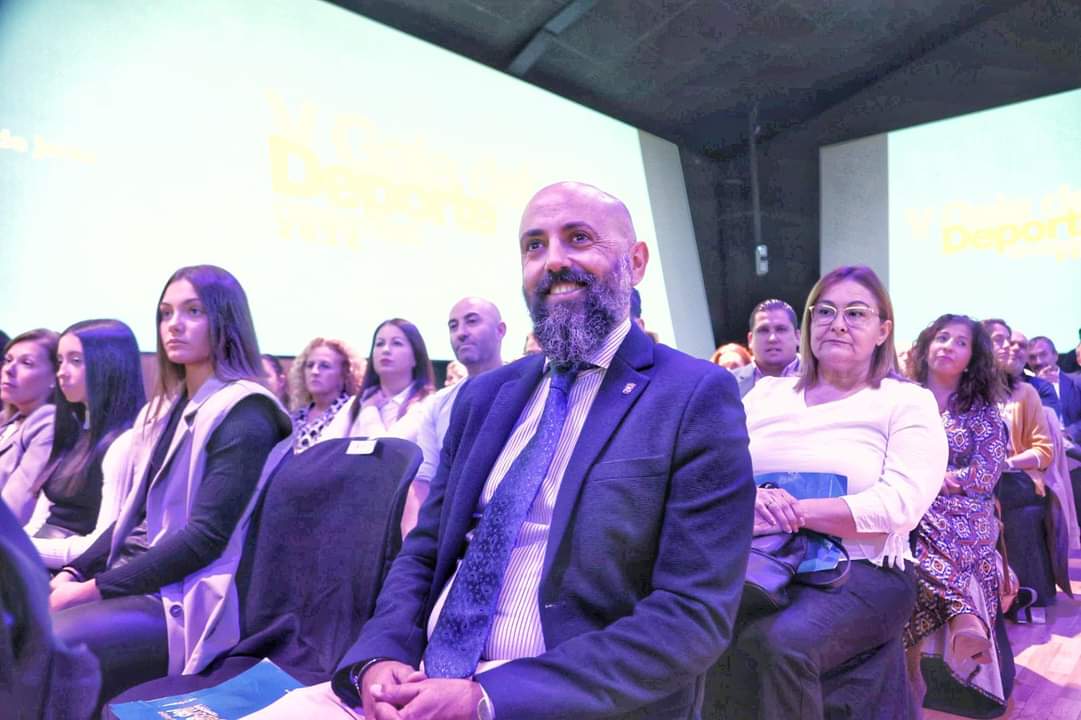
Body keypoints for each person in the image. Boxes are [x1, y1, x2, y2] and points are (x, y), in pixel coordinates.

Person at [245, 181, 755, 720]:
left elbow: (691, 615)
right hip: (415, 685)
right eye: (534, 246)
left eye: (578, 238)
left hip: (555, 697)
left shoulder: (692, 395)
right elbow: (424, 552)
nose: (553, 261)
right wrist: (380, 656)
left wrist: (490, 699)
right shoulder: (484, 397)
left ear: (636, 261)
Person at [48, 265, 292, 704]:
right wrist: (74, 570)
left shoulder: (246, 410)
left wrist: (85, 592)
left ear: (225, 321)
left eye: (193, 311)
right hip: (137, 580)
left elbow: (203, 540)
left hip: (186, 598)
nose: (174, 325)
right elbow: (131, 518)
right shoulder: (172, 407)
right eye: (165, 313)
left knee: (49, 643)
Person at [716, 265, 948, 719]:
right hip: (758, 558)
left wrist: (793, 511)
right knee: (691, 627)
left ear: (883, 330)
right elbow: (718, 472)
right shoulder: (765, 397)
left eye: (856, 313)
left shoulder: (906, 401)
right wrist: (750, 497)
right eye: (824, 311)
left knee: (784, 644)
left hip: (862, 569)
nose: (837, 323)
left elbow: (899, 506)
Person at [902, 315, 1007, 707]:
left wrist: (935, 478)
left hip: (966, 510)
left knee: (927, 525)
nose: (948, 346)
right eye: (941, 338)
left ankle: (958, 622)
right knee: (911, 522)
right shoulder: (901, 399)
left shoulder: (983, 412)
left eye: (961, 342)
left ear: (971, 357)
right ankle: (963, 615)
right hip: (911, 498)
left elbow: (986, 473)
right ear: (926, 348)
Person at [25, 320, 146, 569]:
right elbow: (39, 521)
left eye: (76, 361)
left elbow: (99, 545)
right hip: (38, 560)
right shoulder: (73, 431)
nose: (62, 372)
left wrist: (19, 549)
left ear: (109, 366)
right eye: (60, 361)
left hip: (69, 572)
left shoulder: (123, 443)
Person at [401, 297, 506, 536]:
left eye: (471, 322)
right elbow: (423, 480)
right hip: (449, 528)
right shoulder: (438, 404)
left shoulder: (531, 389)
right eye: (453, 326)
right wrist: (412, 548)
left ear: (500, 330)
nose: (461, 333)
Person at [329, 319, 435, 441]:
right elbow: (322, 451)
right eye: (379, 344)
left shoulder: (427, 404)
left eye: (397, 343)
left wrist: (369, 410)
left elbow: (386, 452)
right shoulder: (355, 403)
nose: (385, 350)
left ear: (416, 357)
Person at [1, 329, 60, 522]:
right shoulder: (7, 419)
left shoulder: (48, 424)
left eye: (26, 363)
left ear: (55, 377)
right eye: (8, 360)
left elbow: (14, 511)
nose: (8, 370)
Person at [287, 337, 364, 452]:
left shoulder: (352, 413)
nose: (315, 372)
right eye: (310, 365)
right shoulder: (296, 416)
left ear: (345, 373)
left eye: (325, 366)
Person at [730, 298, 801, 397]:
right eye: (763, 330)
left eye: (781, 329)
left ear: (797, 337)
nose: (772, 338)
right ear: (750, 339)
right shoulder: (727, 384)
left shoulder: (823, 376)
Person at [1029, 335, 1081, 441]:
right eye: (1032, 357)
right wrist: (1038, 384)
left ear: (1055, 356)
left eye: (1043, 355)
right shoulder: (1025, 387)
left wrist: (1068, 434)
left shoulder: (1076, 381)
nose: (1038, 361)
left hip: (1073, 445)